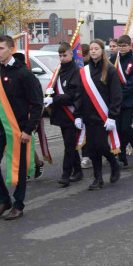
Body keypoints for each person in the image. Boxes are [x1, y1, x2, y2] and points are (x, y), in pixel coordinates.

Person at [0, 35, 43, 221]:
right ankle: (4, 200)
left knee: (20, 167)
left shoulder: (24, 74)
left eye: (1, 48)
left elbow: (37, 104)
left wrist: (28, 130)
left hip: (19, 128)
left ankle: (18, 204)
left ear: (11, 49)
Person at [77, 39, 122, 188]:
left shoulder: (110, 70)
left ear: (102, 50)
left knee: (102, 146)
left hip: (104, 116)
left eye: (96, 48)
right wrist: (78, 114)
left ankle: (113, 163)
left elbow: (116, 95)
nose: (93, 51)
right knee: (92, 148)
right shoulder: (84, 71)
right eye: (91, 49)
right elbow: (80, 94)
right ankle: (98, 178)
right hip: (88, 115)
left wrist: (112, 116)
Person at [44, 42, 86, 187]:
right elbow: (56, 87)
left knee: (69, 146)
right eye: (60, 56)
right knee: (69, 144)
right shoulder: (59, 70)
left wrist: (54, 99)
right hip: (62, 114)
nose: (62, 58)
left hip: (72, 113)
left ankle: (66, 175)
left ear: (71, 54)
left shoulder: (76, 71)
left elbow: (73, 95)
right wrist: (50, 93)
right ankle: (78, 171)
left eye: (65, 55)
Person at [112, 36, 133, 168]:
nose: (122, 48)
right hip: (115, 101)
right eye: (120, 45)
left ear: (130, 46)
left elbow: (131, 85)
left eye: (124, 45)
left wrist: (117, 95)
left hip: (127, 100)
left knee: (125, 127)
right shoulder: (113, 60)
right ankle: (122, 157)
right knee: (118, 129)